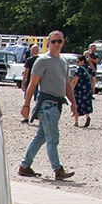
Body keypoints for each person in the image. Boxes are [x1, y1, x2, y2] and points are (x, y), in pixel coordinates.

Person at [17, 30, 77, 181]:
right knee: (52, 139)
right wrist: (26, 105)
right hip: (47, 104)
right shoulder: (42, 60)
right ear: (49, 43)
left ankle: (25, 165)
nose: (56, 44)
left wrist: (73, 104)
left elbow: (67, 84)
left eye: (59, 41)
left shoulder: (63, 61)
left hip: (56, 104)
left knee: (41, 136)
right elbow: (33, 83)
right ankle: (58, 169)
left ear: (63, 42)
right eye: (54, 41)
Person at [72, 49, 95, 128]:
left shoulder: (79, 70)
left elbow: (75, 80)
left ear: (82, 61)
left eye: (78, 61)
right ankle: (87, 117)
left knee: (77, 104)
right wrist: (93, 87)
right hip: (88, 89)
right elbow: (93, 78)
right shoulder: (89, 69)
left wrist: (71, 89)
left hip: (79, 90)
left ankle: (76, 121)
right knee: (87, 103)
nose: (77, 63)